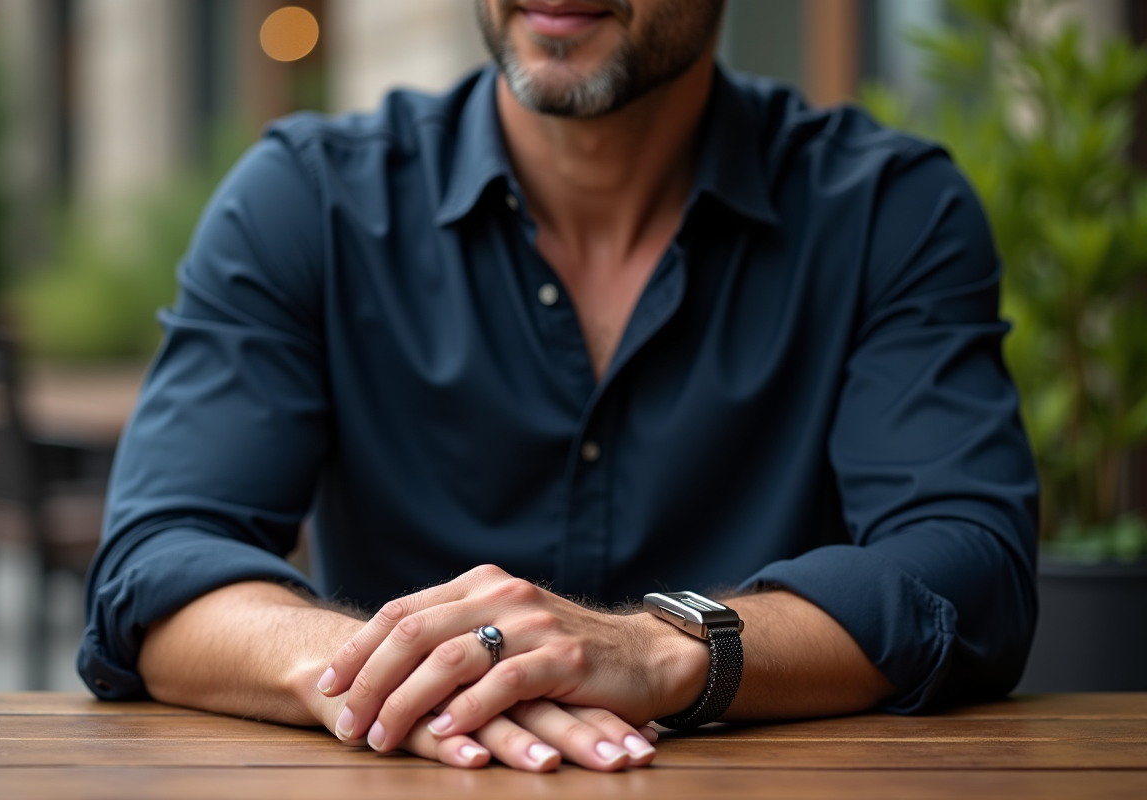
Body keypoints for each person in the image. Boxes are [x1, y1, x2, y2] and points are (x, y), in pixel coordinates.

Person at [78, 0, 1039, 774]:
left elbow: (967, 571)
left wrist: (664, 651)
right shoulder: (307, 202)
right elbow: (159, 568)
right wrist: (402, 677)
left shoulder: (890, 212)